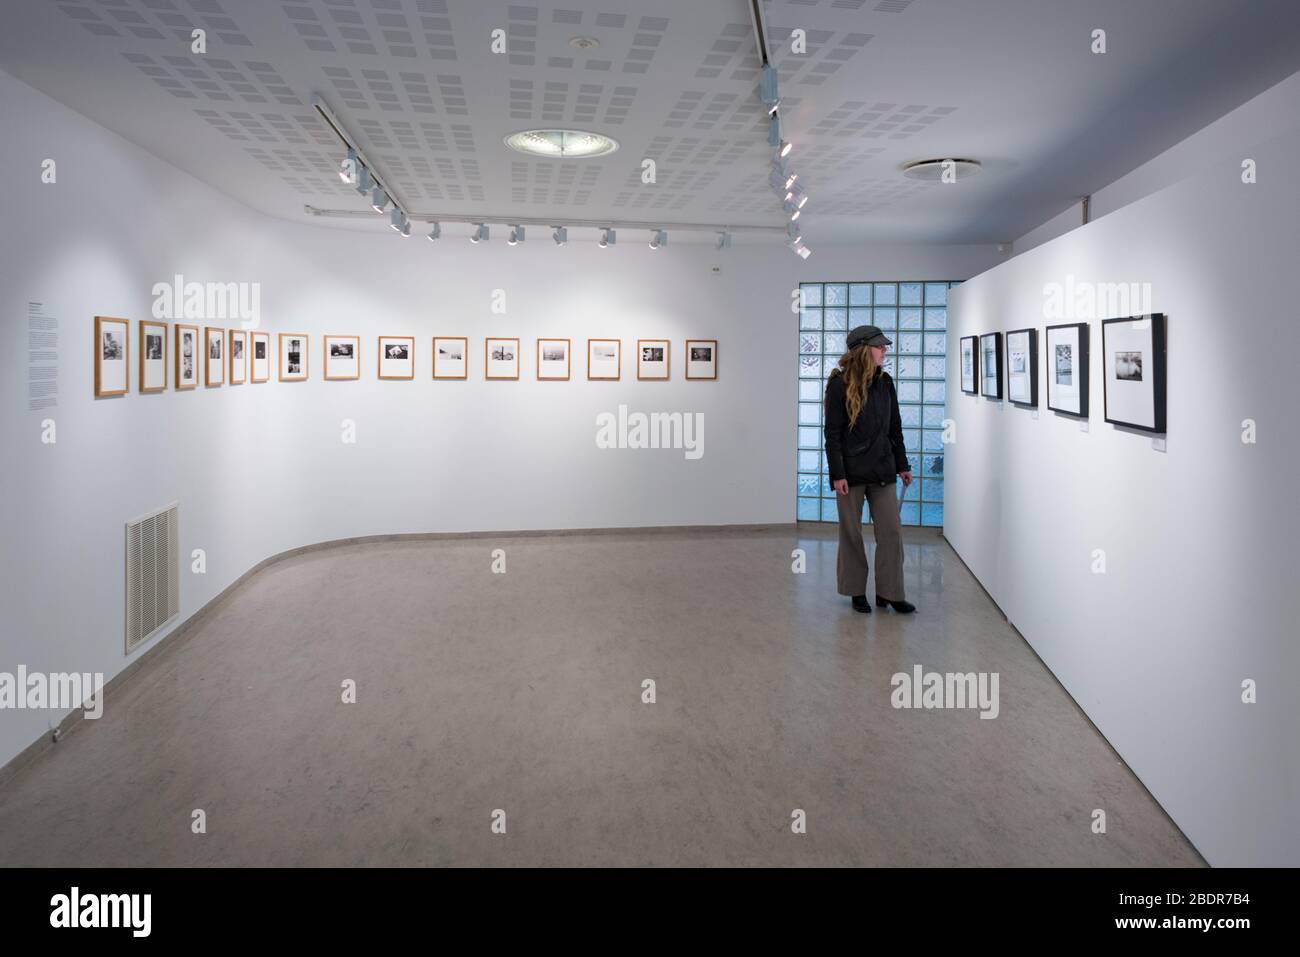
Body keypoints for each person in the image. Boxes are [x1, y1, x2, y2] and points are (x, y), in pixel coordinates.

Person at [823, 325, 916, 615]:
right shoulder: (839, 385)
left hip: (883, 471)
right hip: (850, 476)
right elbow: (833, 435)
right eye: (879, 346)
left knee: (891, 533)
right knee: (851, 534)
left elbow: (894, 428)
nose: (885, 350)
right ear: (864, 349)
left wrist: (902, 464)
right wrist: (837, 475)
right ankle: (856, 591)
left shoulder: (885, 382)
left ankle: (890, 593)